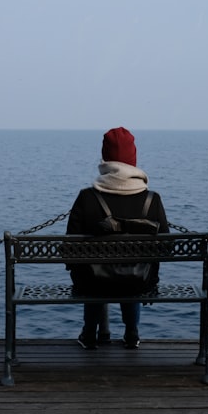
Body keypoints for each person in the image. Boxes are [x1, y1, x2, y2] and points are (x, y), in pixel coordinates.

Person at [66, 127, 169, 350]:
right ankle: (132, 333)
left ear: (105, 159)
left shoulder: (86, 197)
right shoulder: (152, 200)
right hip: (140, 282)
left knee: (91, 273)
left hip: (92, 282)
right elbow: (166, 246)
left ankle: (89, 334)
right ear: (133, 160)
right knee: (133, 271)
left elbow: (69, 246)